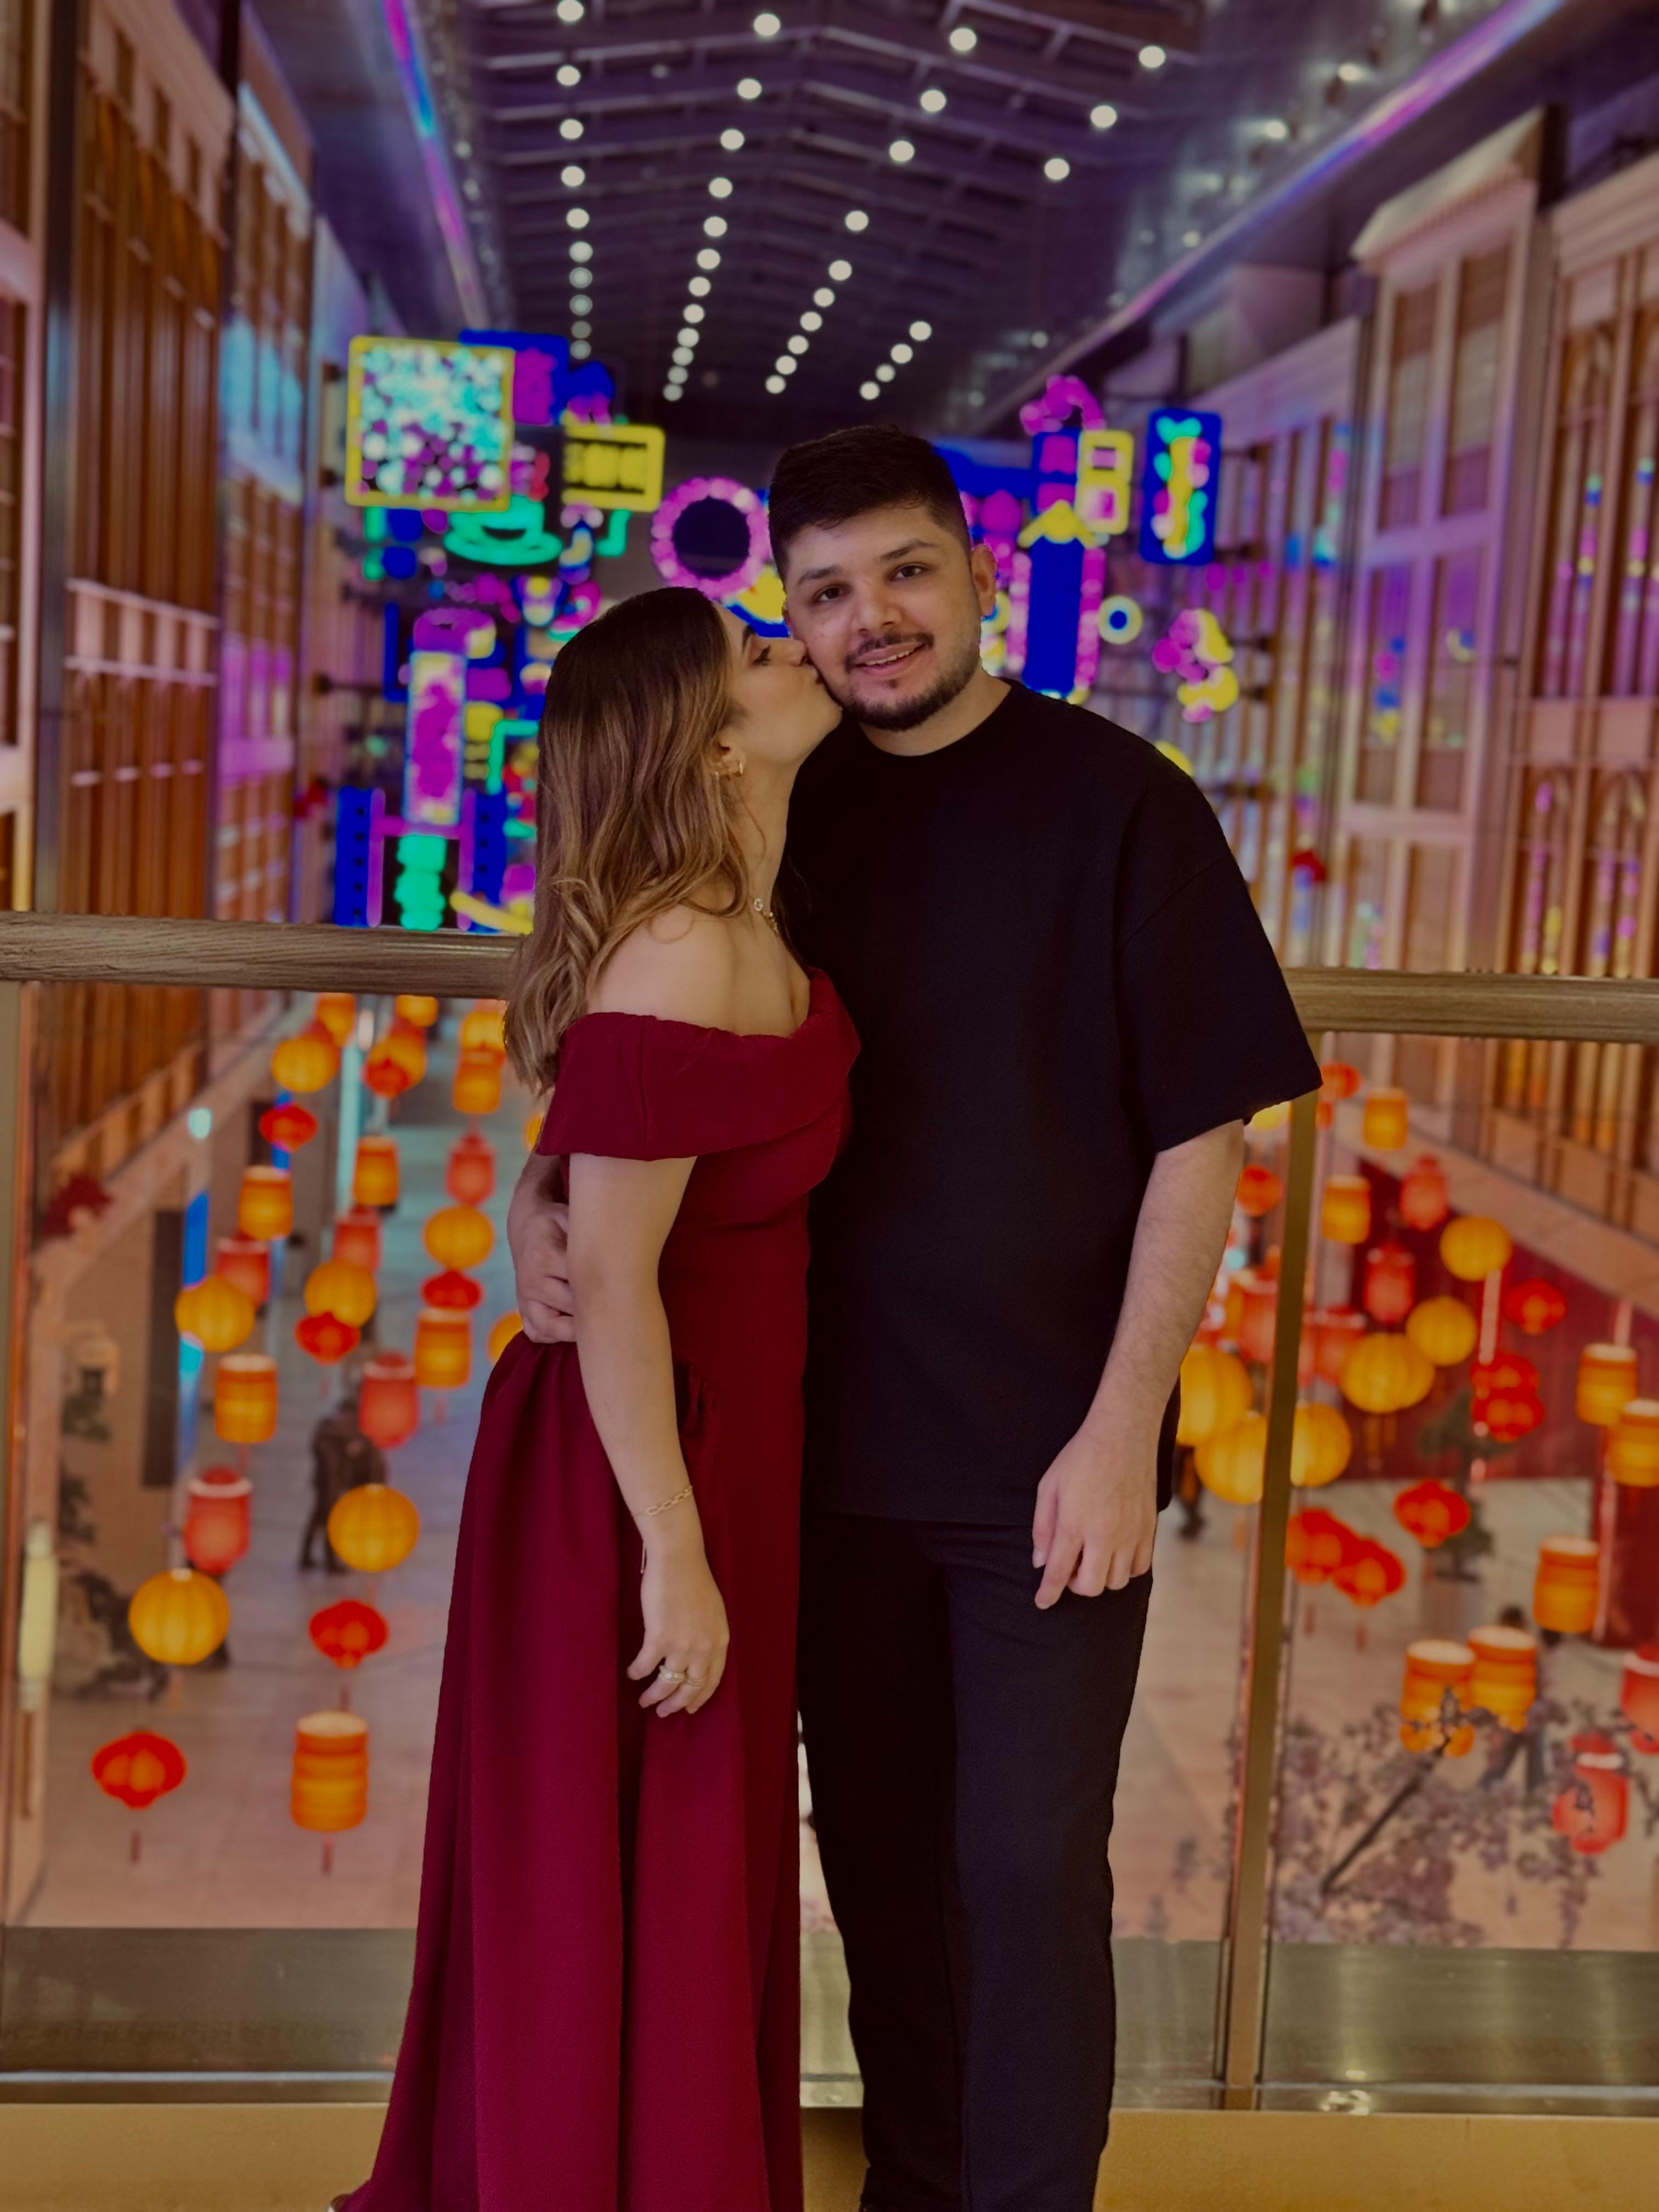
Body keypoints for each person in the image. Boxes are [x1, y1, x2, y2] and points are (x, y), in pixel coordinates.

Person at [509, 426, 1321, 2212]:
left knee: (1026, 1866)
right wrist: (534, 1197)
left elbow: (1206, 1137)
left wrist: (1123, 1428)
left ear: (973, 570)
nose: (867, 620)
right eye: (822, 593)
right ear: (785, 616)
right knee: (876, 1858)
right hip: (823, 1459)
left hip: (1050, 1457)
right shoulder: (775, 798)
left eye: (902, 573)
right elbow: (623, 1001)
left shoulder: (1123, 804)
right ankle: (915, 2183)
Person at [332, 586, 854, 2212]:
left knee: (691, 1859)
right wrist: (672, 1553)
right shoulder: (685, 948)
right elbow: (618, 1281)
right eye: (759, 651)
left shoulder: (739, 910)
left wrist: (528, 1194)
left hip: (713, 1457)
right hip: (636, 1479)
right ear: (708, 740)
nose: (796, 650)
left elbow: (584, 1132)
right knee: (630, 1863)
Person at [299, 1373, 385, 1573]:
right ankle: (329, 1562)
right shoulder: (341, 1429)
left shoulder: (334, 1428)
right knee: (328, 1519)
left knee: (320, 1517)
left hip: (330, 1481)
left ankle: (309, 1557)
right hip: (330, 1482)